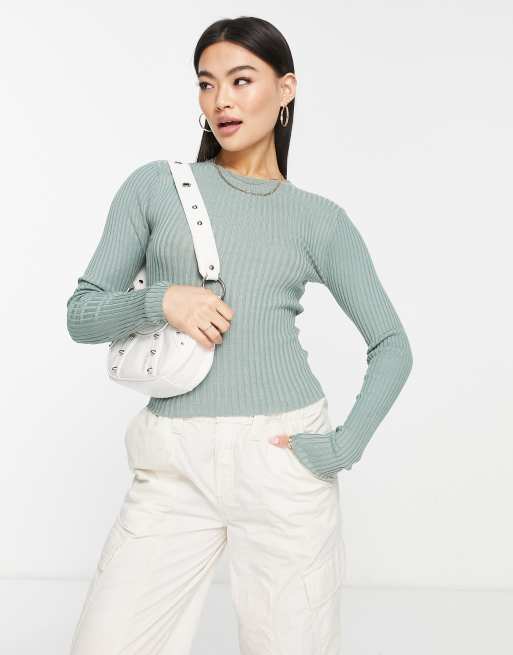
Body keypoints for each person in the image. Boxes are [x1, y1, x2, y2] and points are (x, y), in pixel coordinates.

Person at [66, 16, 413, 655]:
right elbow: (81, 315)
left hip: (282, 456)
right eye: (207, 84)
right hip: (173, 461)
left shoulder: (319, 220)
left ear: (285, 89)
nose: (221, 100)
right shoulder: (156, 187)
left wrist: (341, 448)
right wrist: (160, 301)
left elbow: (392, 345)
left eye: (241, 80)